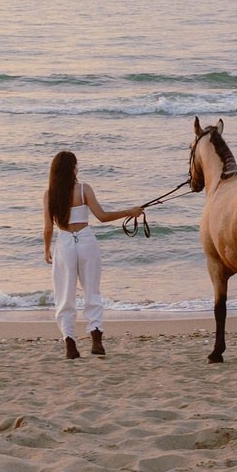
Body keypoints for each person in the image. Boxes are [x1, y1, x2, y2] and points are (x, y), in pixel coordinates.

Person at [46, 150, 146, 360]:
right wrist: (129, 211)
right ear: (71, 168)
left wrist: (47, 249)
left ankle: (70, 343)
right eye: (76, 165)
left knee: (65, 294)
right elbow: (102, 216)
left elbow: (47, 228)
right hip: (86, 240)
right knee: (92, 290)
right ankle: (96, 339)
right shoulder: (84, 189)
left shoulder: (49, 194)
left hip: (64, 242)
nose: (78, 168)